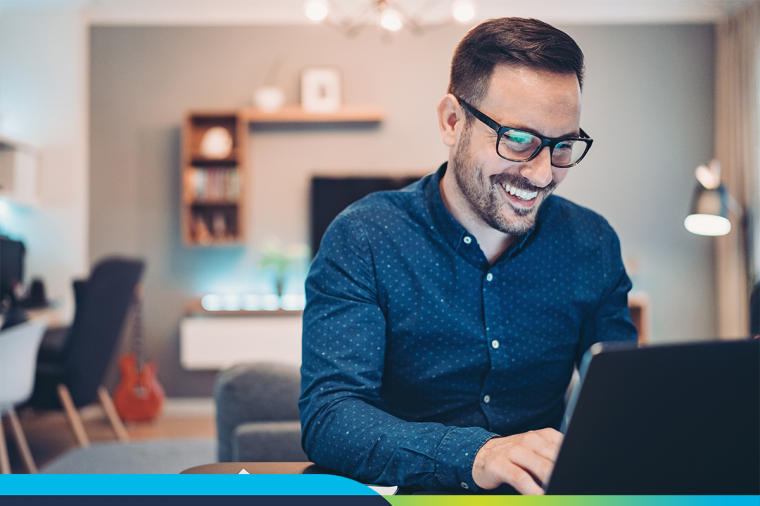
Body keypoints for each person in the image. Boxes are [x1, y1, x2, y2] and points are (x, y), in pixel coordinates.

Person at [299, 17, 638, 495]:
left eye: (563, 146)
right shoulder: (364, 237)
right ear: (452, 121)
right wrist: (475, 455)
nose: (543, 175)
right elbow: (330, 417)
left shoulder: (593, 243)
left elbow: (620, 401)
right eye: (519, 140)